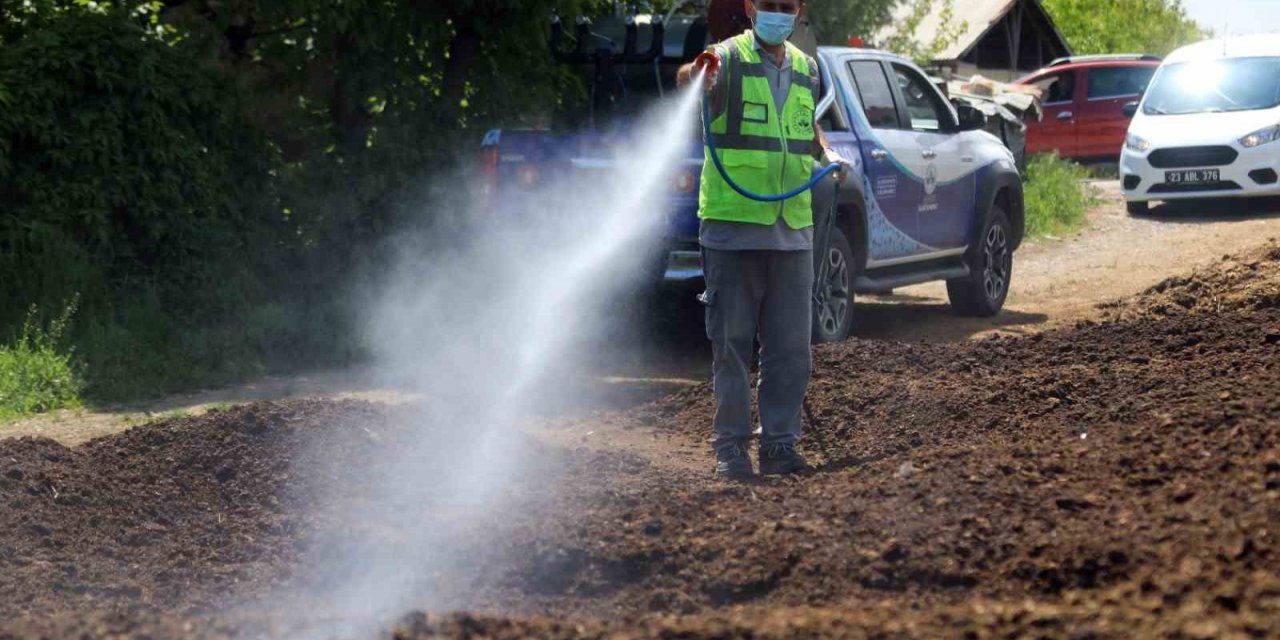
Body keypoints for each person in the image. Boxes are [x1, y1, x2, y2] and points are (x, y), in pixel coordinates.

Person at [676, 0, 852, 479]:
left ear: (799, 10)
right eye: (769, 5)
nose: (778, 13)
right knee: (731, 348)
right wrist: (699, 73)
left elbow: (803, 126)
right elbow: (689, 77)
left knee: (791, 350)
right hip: (733, 229)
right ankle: (731, 450)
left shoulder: (807, 69)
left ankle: (779, 447)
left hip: (792, 232)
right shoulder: (726, 58)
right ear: (752, 8)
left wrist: (827, 152)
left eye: (786, 6)